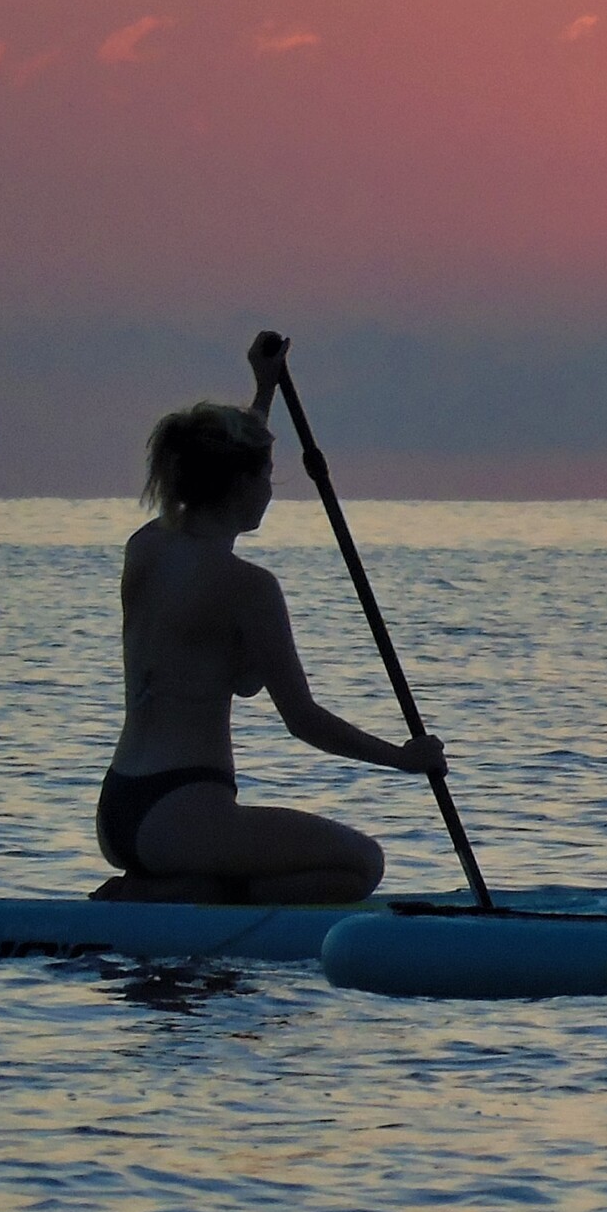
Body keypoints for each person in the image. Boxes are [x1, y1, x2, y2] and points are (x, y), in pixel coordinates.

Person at [93, 332, 445, 904]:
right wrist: (403, 759)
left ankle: (176, 884)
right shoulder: (248, 588)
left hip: (121, 809)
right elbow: (302, 719)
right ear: (239, 484)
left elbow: (218, 463)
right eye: (266, 476)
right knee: (359, 866)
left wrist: (264, 391)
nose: (271, 492)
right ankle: (181, 896)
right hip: (185, 813)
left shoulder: (147, 549)